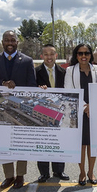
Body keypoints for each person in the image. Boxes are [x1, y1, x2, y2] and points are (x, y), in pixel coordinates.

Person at [0, 30, 37, 189]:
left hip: (20, 108)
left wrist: (17, 87)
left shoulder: (27, 61)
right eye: (6, 40)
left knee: (21, 142)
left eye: (12, 40)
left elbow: (32, 85)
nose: (9, 43)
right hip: (1, 108)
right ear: (2, 42)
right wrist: (2, 84)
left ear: (17, 42)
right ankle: (9, 176)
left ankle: (20, 176)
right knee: (4, 142)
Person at [65, 43, 97, 185]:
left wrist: (92, 106)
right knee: (81, 145)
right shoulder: (70, 71)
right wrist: (85, 107)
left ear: (90, 55)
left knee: (92, 145)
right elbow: (69, 92)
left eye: (86, 53)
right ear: (76, 56)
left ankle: (91, 172)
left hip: (94, 112)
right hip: (78, 112)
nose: (83, 56)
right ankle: (82, 172)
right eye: (80, 53)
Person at [35, 44, 70, 183]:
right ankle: (44, 173)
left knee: (59, 142)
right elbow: (30, 89)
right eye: (46, 54)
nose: (49, 57)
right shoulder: (35, 72)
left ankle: (59, 170)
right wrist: (38, 89)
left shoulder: (64, 72)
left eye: (52, 54)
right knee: (43, 142)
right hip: (42, 111)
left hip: (59, 112)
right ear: (41, 56)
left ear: (56, 56)